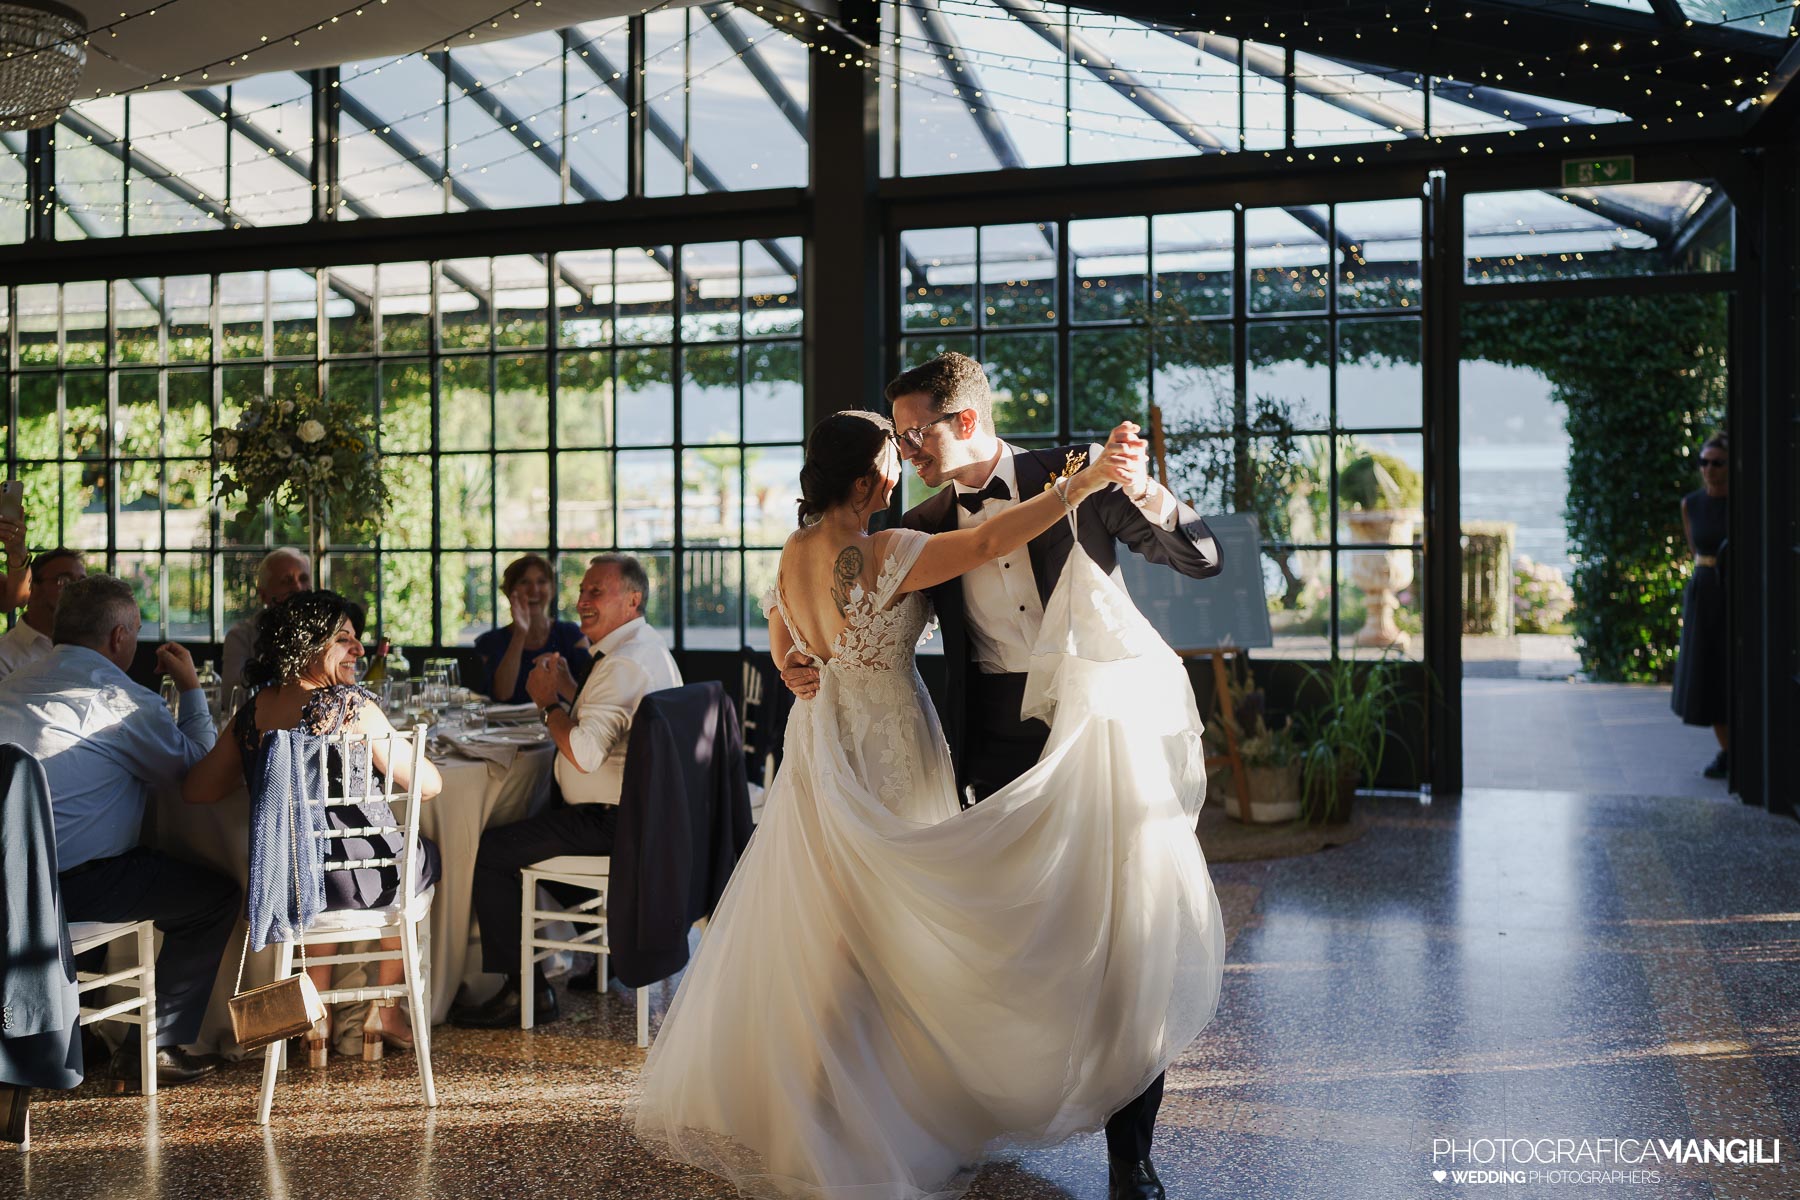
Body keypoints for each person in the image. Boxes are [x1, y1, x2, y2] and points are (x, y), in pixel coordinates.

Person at [634, 410, 1226, 1200]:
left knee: (836, 933)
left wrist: (792, 662)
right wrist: (1078, 483)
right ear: (862, 479)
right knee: (893, 935)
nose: (902, 461)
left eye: (911, 441)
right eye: (890, 452)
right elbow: (985, 544)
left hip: (823, 743)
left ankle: (835, 1110)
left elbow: (780, 616)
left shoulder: (797, 549)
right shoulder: (888, 546)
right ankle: (868, 1120)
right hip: (892, 749)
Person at [183, 590, 444, 1058]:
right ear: (308, 645)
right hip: (362, 883)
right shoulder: (352, 707)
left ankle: (316, 1014)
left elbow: (198, 790)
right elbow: (427, 784)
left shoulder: (255, 711)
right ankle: (385, 1004)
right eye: (344, 639)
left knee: (317, 866)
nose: (359, 650)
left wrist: (266, 775)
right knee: (421, 855)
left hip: (290, 882)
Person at [0, 574, 234, 1089]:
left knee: (119, 855)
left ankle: (80, 1030)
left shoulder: (10, 685)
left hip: (9, 886)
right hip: (71, 889)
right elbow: (195, 773)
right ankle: (153, 1046)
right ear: (119, 638)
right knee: (214, 897)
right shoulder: (119, 701)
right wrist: (191, 689)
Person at [450, 554, 680, 1029]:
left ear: (632, 600)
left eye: (597, 591)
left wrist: (546, 702)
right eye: (582, 591)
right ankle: (606, 949)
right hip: (640, 817)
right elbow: (607, 722)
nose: (582, 601)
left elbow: (585, 753)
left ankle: (525, 992)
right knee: (535, 825)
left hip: (612, 820)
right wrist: (572, 690)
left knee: (493, 850)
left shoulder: (624, 663)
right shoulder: (643, 648)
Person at [1672, 432, 1730, 779]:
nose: (1709, 468)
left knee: (1731, 670)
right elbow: (1695, 550)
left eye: (1717, 462)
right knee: (1706, 672)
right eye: (1704, 462)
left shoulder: (1744, 502)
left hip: (1734, 592)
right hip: (1704, 591)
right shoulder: (1691, 504)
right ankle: (1727, 751)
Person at [474, 553, 592, 703]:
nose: (534, 590)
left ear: (552, 590)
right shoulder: (491, 641)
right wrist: (520, 633)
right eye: (524, 582)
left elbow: (589, 695)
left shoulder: (572, 635)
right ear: (509, 591)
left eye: (541, 581)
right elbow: (503, 694)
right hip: (508, 726)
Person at [221, 547, 312, 688]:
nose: (298, 588)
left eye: (303, 579)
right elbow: (234, 695)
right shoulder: (241, 636)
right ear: (263, 595)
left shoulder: (324, 632)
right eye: (286, 581)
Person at [0, 549, 83, 683]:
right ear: (32, 587)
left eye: (82, 582)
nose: (77, 589)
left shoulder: (92, 647)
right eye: (64, 580)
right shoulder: (4, 656)